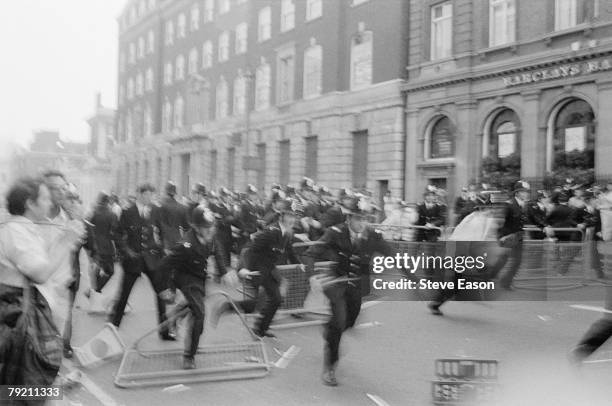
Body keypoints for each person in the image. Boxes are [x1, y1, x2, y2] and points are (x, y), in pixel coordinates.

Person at [0, 177, 85, 388]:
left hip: (27, 316)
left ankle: (54, 392)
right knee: (22, 386)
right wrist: (66, 241)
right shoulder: (15, 231)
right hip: (20, 320)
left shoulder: (24, 228)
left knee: (27, 385)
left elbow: (41, 260)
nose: (49, 203)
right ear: (30, 203)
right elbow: (40, 272)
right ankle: (55, 394)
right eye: (45, 198)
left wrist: (64, 237)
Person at [303, 196, 392, 386]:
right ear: (349, 218)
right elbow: (311, 254)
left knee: (349, 322)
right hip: (336, 281)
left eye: (365, 218)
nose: (362, 222)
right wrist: (312, 276)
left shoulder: (372, 236)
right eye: (358, 218)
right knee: (339, 319)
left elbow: (394, 255)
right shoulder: (335, 232)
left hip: (356, 286)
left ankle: (330, 330)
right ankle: (330, 367)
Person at [209, 199, 301, 338]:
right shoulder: (272, 231)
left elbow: (289, 250)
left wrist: (299, 264)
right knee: (253, 305)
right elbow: (249, 250)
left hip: (267, 270)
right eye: (289, 216)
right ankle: (226, 306)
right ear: (282, 216)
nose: (292, 220)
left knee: (276, 299)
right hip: (253, 268)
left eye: (294, 217)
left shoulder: (286, 233)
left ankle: (261, 329)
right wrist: (244, 268)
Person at [157, 206, 233, 369]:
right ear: (196, 227)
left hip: (199, 277)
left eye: (211, 227)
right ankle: (189, 356)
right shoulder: (186, 245)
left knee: (194, 305)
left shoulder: (210, 236)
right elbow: (164, 265)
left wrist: (224, 272)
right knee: (199, 313)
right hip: (185, 278)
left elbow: (217, 250)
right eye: (206, 228)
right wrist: (164, 288)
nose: (210, 230)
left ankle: (176, 315)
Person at [109, 183, 174, 340]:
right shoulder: (127, 212)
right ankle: (111, 330)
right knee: (123, 296)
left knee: (161, 294)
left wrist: (163, 247)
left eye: (152, 194)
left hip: (152, 259)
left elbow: (163, 230)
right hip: (134, 260)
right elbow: (116, 233)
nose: (150, 198)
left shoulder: (156, 210)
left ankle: (164, 331)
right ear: (139, 194)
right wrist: (126, 251)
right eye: (148, 195)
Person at [88, 192, 119, 312]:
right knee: (110, 271)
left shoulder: (94, 213)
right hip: (107, 247)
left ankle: (95, 292)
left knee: (96, 270)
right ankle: (95, 291)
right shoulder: (112, 214)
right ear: (108, 201)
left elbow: (89, 227)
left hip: (95, 246)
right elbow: (114, 232)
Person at [497, 181, 531, 290]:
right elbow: (500, 222)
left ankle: (505, 282)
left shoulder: (524, 205)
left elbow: (528, 220)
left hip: (518, 237)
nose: (526, 194)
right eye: (523, 192)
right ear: (517, 193)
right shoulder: (509, 205)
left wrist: (544, 226)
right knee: (502, 260)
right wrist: (501, 236)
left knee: (517, 261)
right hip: (508, 237)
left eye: (527, 192)